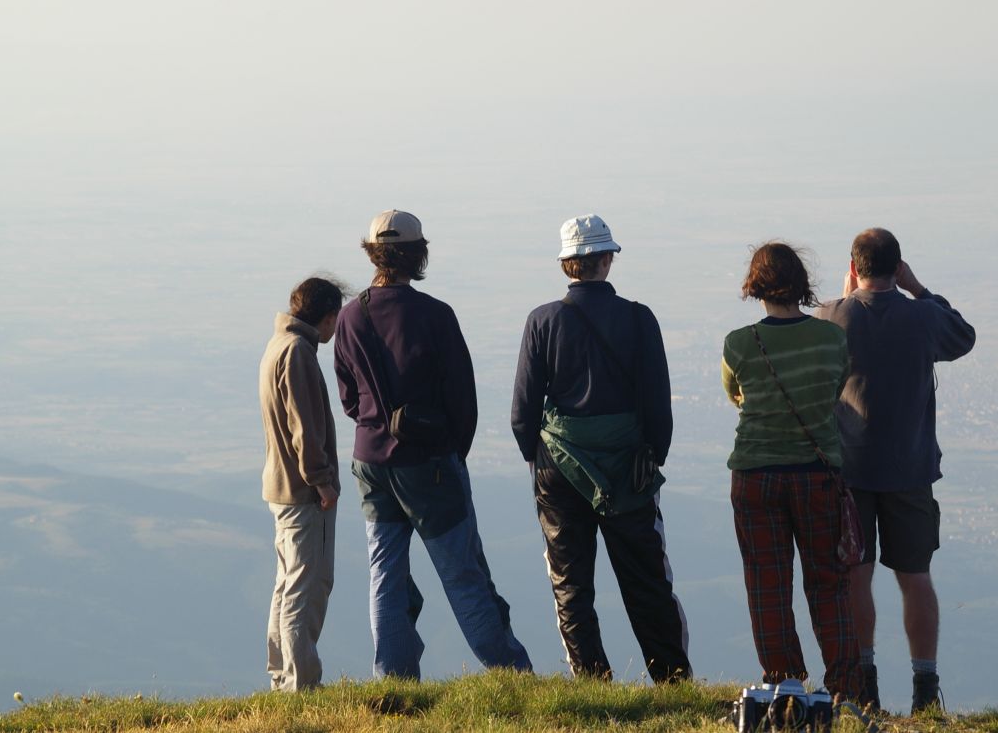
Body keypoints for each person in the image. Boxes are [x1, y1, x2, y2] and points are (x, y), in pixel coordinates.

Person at [333, 209, 531, 679]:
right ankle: (510, 672)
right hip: (429, 463)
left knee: (386, 572)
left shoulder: (350, 316)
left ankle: (394, 677)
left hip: (370, 459)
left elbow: (347, 396)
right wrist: (451, 453)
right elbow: (463, 399)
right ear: (417, 254)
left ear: (372, 253)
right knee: (462, 572)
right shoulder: (435, 315)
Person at [511, 214, 691, 683]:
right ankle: (671, 680)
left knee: (570, 584)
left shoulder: (543, 321)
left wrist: (541, 460)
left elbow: (522, 411)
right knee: (648, 581)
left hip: (560, 470)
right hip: (628, 467)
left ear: (566, 264)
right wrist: (653, 457)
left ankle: (592, 682)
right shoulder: (638, 318)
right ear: (607, 259)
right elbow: (658, 402)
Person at [816, 227, 975, 713]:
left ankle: (864, 681)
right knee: (916, 576)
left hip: (851, 470)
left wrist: (845, 300)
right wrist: (920, 288)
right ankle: (925, 687)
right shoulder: (922, 316)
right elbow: (963, 336)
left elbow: (825, 337)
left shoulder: (831, 318)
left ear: (853, 267)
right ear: (898, 267)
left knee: (855, 577)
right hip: (910, 468)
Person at [721, 241, 864, 702]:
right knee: (829, 583)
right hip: (817, 474)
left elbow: (736, 396)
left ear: (755, 285)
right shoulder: (831, 338)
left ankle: (786, 686)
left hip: (755, 476)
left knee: (767, 584)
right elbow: (835, 388)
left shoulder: (739, 343)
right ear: (801, 284)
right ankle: (843, 689)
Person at [259, 275, 347, 691]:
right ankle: (300, 683)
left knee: (287, 583)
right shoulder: (298, 353)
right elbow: (304, 428)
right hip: (302, 491)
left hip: (281, 486)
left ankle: (282, 676)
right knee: (305, 588)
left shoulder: (278, 344)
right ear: (327, 317)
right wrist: (322, 480)